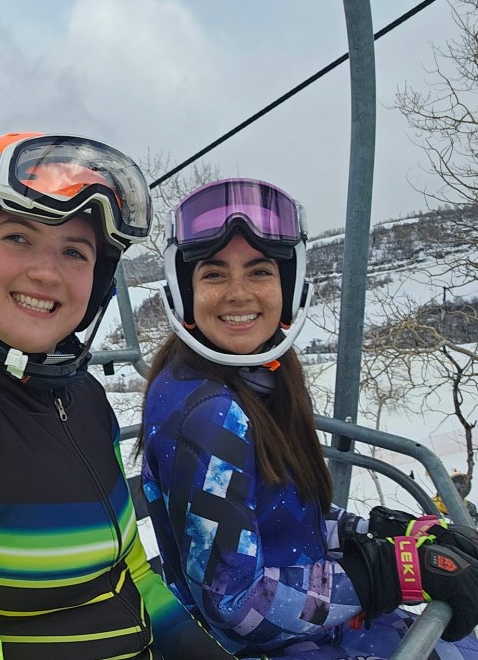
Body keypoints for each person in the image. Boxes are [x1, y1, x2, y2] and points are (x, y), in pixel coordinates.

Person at [0, 132, 236, 659]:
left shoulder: (83, 395)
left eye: (74, 252)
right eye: (18, 237)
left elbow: (134, 576)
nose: (47, 272)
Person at [140, 177, 478, 659]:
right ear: (185, 292)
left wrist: (384, 533)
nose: (239, 293)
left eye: (259, 272)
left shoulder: (261, 378)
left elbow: (286, 519)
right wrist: (389, 571)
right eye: (213, 274)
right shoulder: (209, 413)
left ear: (289, 285)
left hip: (307, 621)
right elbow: (237, 605)